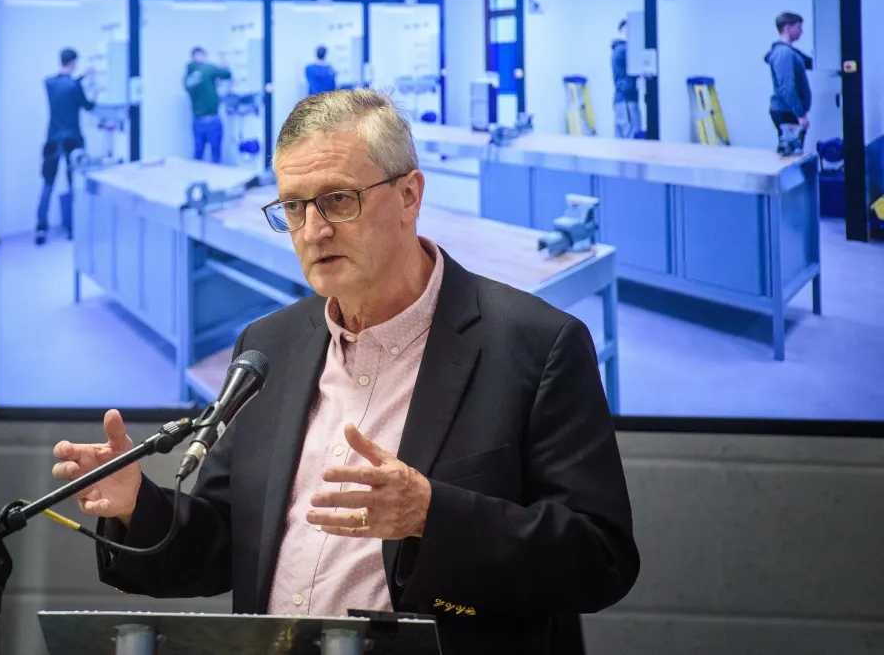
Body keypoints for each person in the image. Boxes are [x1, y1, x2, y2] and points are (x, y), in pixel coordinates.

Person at [52, 89, 640, 655]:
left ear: (410, 195)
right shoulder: (268, 347)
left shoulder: (535, 345)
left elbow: (600, 558)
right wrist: (137, 505)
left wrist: (432, 516)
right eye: (293, 207)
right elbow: (226, 542)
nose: (313, 231)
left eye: (338, 199)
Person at [36, 47, 96, 245]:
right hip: (72, 139)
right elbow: (87, 105)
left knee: (48, 184)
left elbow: (63, 85)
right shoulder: (74, 86)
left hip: (52, 139)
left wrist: (78, 79)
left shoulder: (49, 83)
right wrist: (92, 90)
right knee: (73, 184)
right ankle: (73, 228)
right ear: (74, 62)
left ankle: (41, 229)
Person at [765, 11, 813, 156]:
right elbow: (787, 87)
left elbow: (811, 62)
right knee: (791, 156)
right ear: (787, 28)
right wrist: (800, 114)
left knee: (792, 153)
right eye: (798, 27)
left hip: (788, 111)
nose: (801, 31)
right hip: (787, 112)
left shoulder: (790, 52)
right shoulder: (783, 54)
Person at [184, 47, 232, 163]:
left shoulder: (187, 76)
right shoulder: (207, 68)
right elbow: (227, 74)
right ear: (202, 56)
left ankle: (197, 180)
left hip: (197, 121)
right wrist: (225, 65)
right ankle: (216, 180)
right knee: (215, 156)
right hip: (212, 120)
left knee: (198, 154)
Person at [611, 20, 642, 139]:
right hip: (626, 99)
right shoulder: (624, 49)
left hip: (622, 99)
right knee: (630, 137)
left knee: (622, 137)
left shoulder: (618, 49)